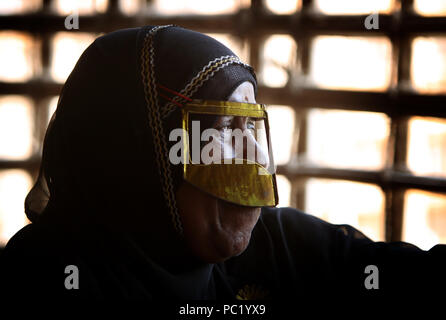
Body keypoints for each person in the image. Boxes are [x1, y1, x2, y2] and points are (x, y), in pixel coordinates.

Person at [0, 26, 444, 304]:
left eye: (252, 128)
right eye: (223, 132)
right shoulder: (42, 281)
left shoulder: (274, 247)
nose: (251, 156)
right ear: (141, 156)